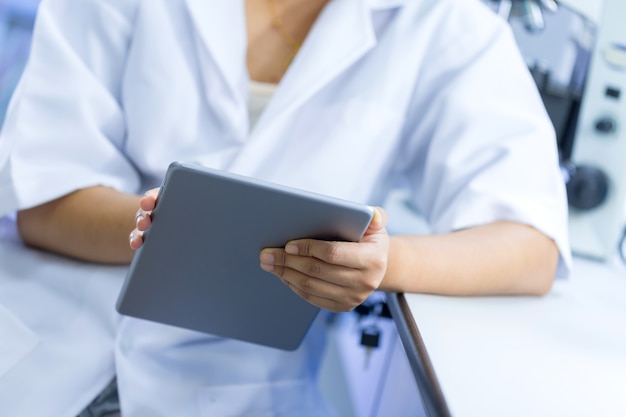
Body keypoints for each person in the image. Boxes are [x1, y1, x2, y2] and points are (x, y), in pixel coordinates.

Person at [0, 0, 572, 415]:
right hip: (48, 351)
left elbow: (530, 245)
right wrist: (179, 227)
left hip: (231, 389)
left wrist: (378, 264)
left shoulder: (446, 25)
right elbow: (45, 202)